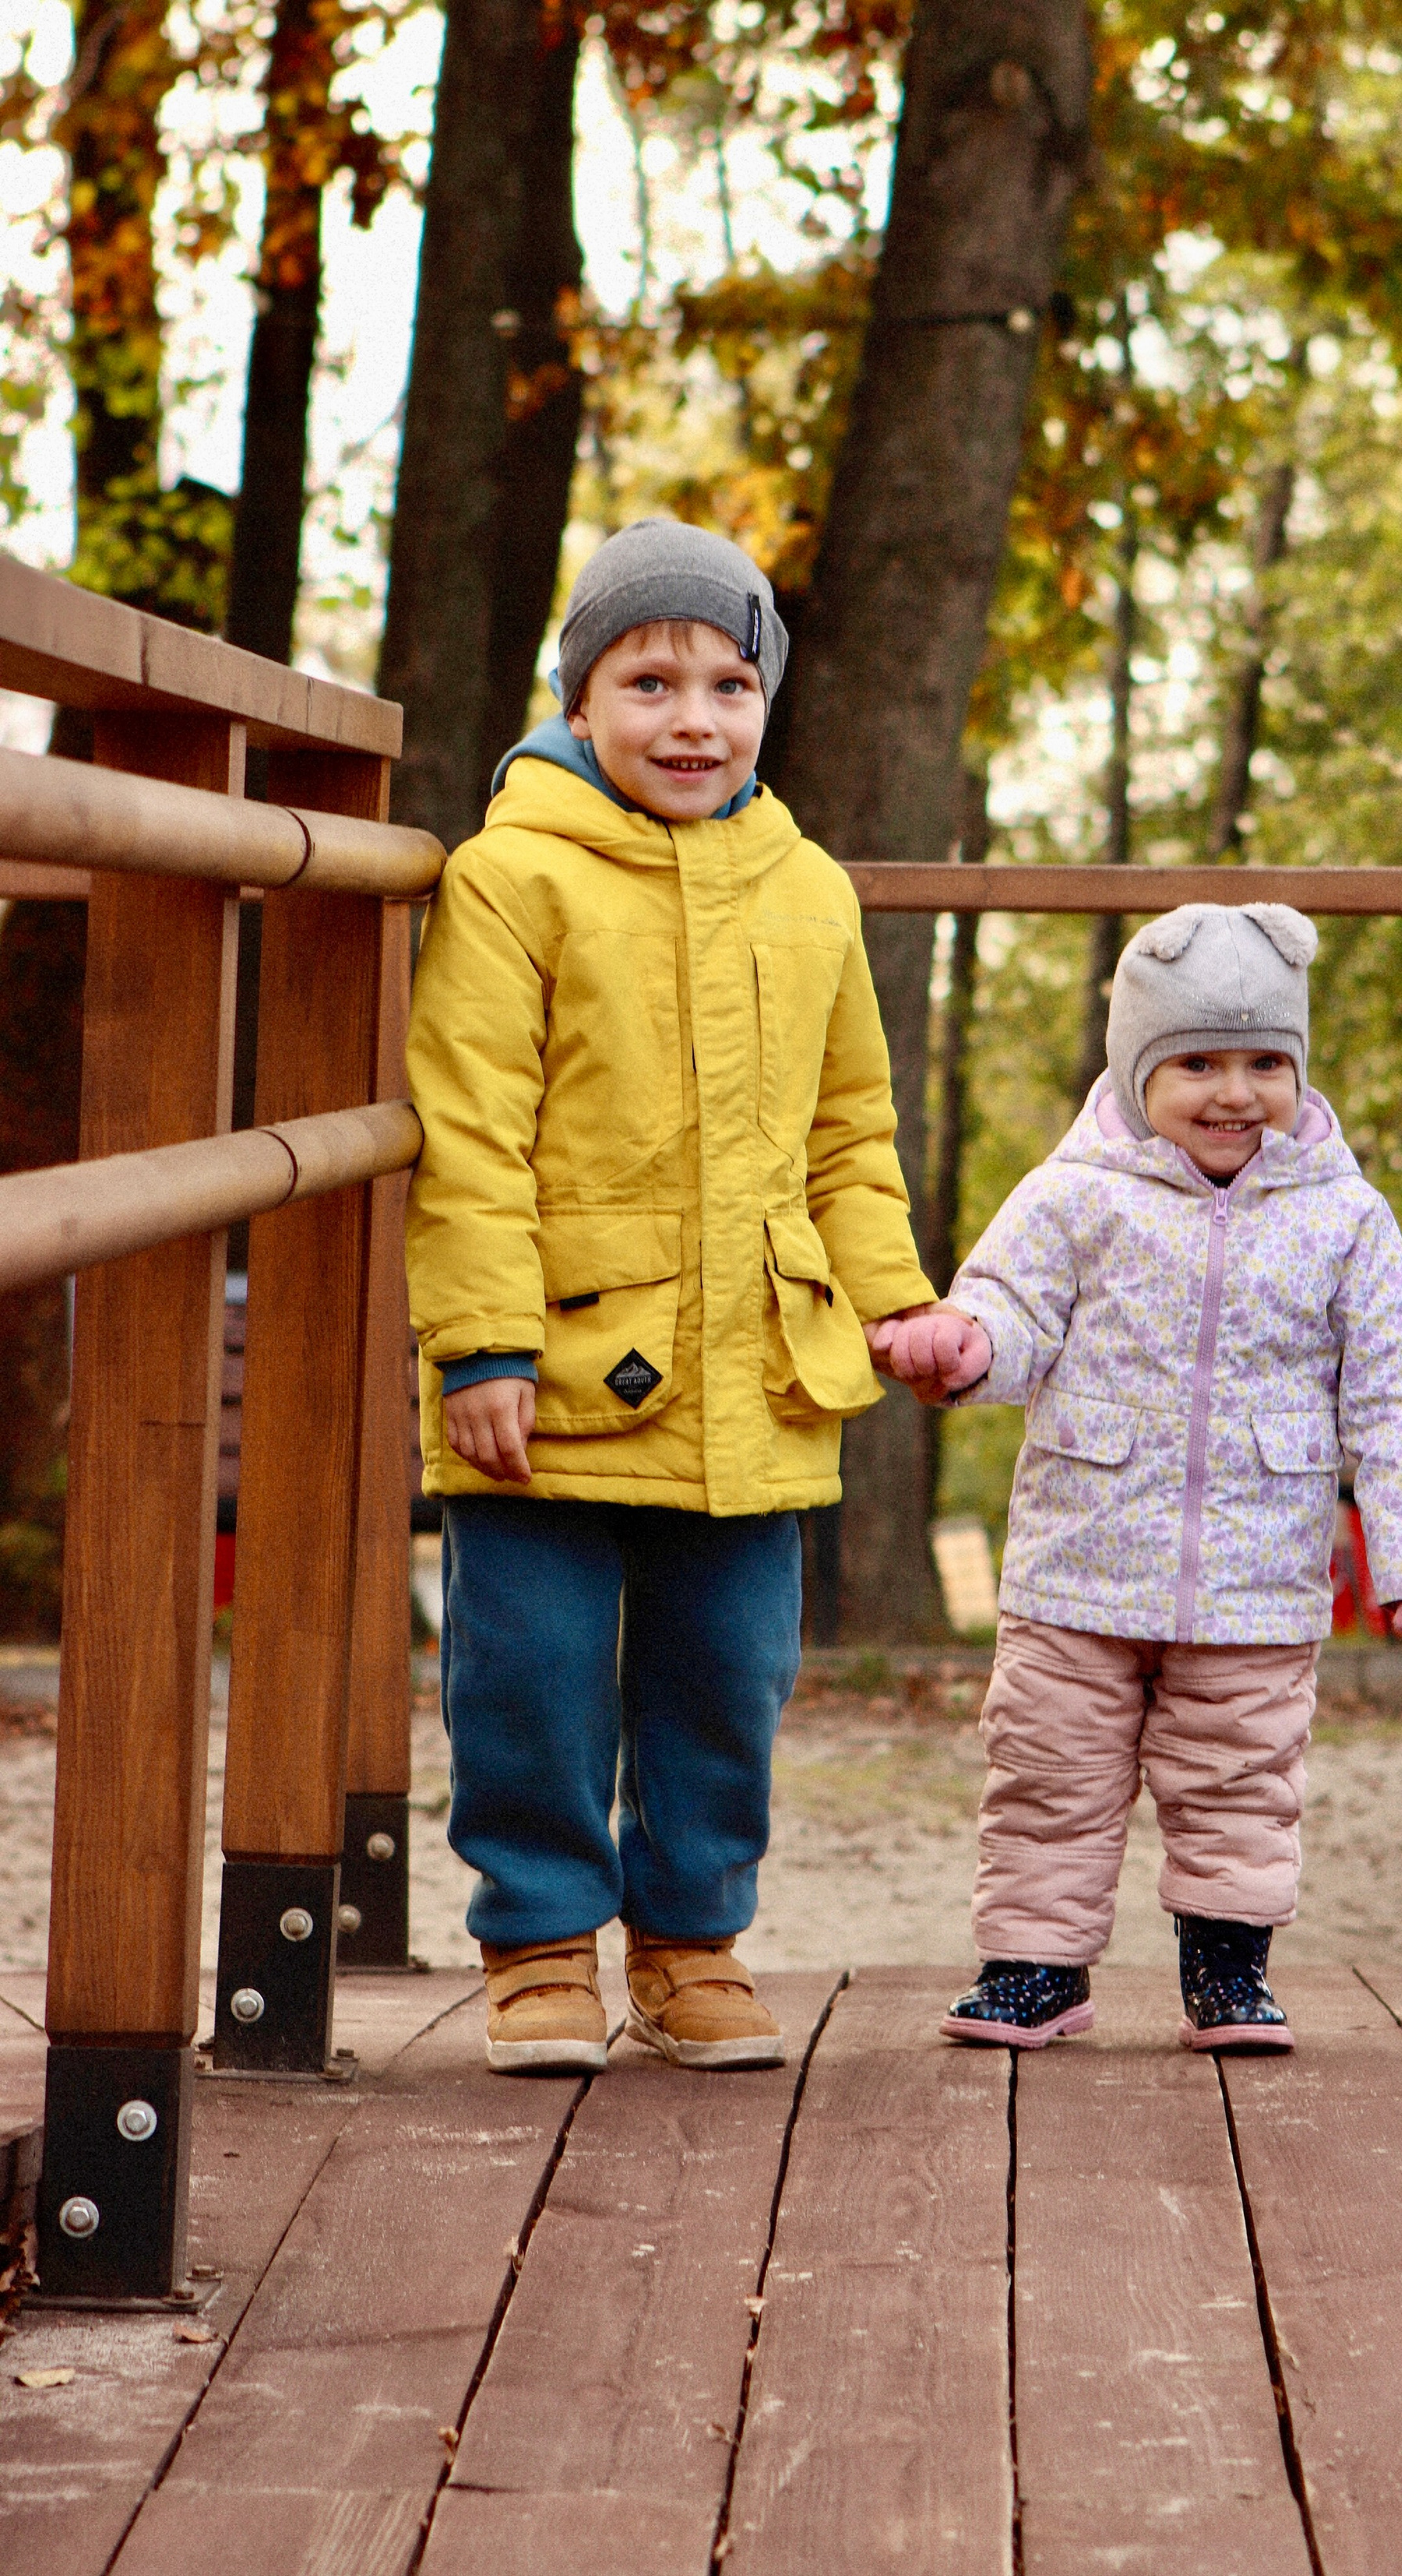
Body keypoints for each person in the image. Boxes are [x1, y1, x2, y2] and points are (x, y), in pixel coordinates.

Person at [406, 519, 936, 2075]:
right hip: (553, 1370)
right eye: (649, 682)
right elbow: (471, 1127)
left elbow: (849, 1134)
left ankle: (692, 1944)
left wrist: (894, 1303)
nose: (693, 718)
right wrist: (481, 1343)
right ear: (578, 700)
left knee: (726, 1679)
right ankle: (538, 1945)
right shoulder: (511, 879)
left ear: (766, 702)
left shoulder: (809, 890)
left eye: (728, 684)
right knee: (532, 1676)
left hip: (755, 1372)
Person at [869, 903, 1402, 2053]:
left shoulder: (1345, 1218)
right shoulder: (1074, 1195)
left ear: (1298, 1072)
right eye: (1197, 1064)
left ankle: (1228, 1969)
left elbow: (1400, 1395)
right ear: (1138, 1071)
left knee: (1241, 1777)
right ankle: (1036, 1968)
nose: (1234, 1092)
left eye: (1264, 1064)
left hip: (1256, 1581)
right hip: (1079, 1567)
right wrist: (965, 1344)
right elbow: (1010, 1310)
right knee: (1048, 1770)